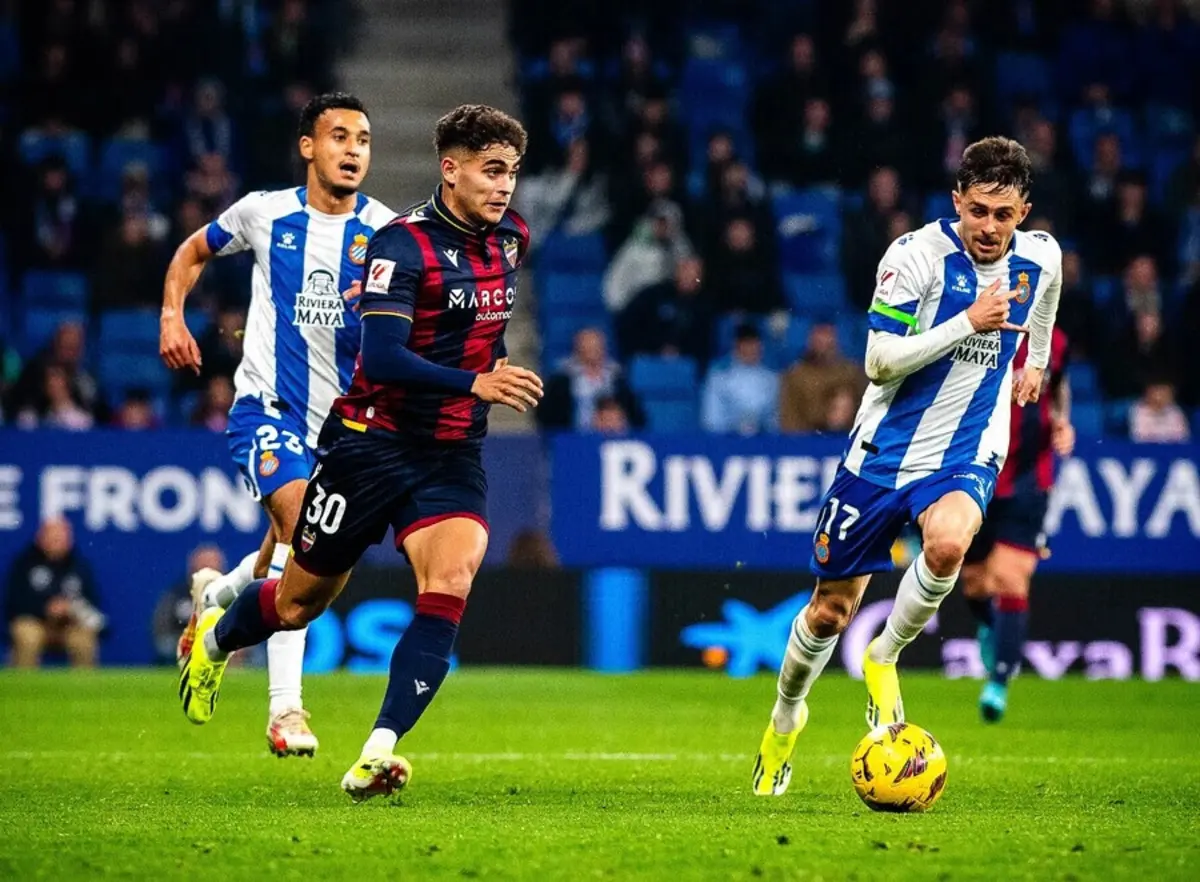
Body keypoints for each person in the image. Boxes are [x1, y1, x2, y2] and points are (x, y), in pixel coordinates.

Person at [177, 104, 543, 802]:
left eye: (512, 174)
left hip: (450, 453)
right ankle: (218, 638)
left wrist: (482, 376)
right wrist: (477, 379)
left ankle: (377, 752)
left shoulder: (512, 240)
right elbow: (383, 356)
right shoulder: (401, 245)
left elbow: (480, 326)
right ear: (451, 169)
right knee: (296, 604)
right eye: (491, 171)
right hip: (369, 445)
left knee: (453, 578)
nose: (503, 188)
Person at [752, 137, 1063, 796]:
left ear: (1022, 212)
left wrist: (1034, 358)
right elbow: (878, 362)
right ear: (957, 201)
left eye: (1003, 215)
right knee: (828, 613)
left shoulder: (1039, 255)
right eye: (978, 210)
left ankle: (885, 653)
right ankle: (786, 718)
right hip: (882, 457)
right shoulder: (915, 258)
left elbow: (1048, 289)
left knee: (950, 543)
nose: (989, 227)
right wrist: (970, 322)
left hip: (966, 450)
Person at [159, 92, 396, 758]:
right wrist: (172, 315)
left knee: (304, 578)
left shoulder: (384, 231)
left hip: (343, 432)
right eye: (340, 136)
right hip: (266, 410)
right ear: (308, 147)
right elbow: (190, 251)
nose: (354, 150)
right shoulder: (265, 213)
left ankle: (218, 607)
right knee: (301, 536)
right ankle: (286, 711)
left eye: (365, 139)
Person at [961, 328, 1073, 722]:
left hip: (1029, 476)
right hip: (973, 471)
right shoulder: (972, 326)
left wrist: (1062, 422)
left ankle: (999, 682)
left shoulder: (1053, 340)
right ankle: (991, 627)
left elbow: (1058, 386)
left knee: (1010, 577)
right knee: (974, 581)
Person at [5, 517, 104, 668]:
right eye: (52, 536)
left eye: (61, 537)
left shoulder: (79, 566)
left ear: (69, 539)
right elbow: (14, 604)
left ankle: (85, 689)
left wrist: (69, 609)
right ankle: (24, 687)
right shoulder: (24, 564)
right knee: (27, 635)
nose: (56, 541)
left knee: (83, 639)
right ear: (40, 538)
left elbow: (92, 603)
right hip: (35, 623)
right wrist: (46, 608)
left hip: (68, 625)